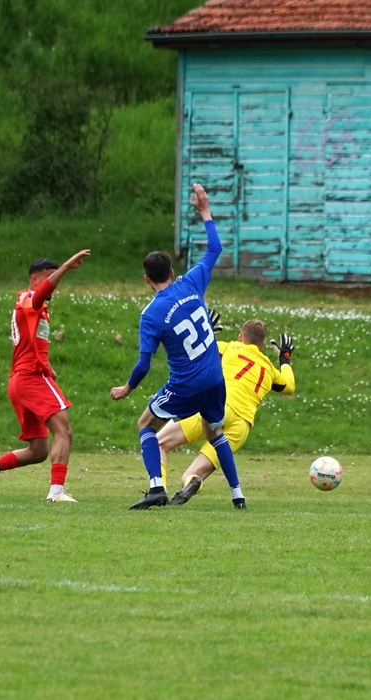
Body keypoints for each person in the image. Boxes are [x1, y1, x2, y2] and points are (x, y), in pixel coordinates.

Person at [110, 183, 246, 510]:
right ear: (172, 272)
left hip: (186, 384)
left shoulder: (151, 314)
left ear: (147, 279)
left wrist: (128, 387)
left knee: (145, 424)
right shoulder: (191, 282)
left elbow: (144, 364)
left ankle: (156, 487)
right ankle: (237, 495)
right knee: (215, 432)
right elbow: (214, 250)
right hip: (215, 377)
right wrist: (205, 212)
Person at [0, 251, 90, 503]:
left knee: (38, 450)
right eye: (50, 276)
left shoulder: (36, 308)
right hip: (30, 378)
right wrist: (68, 266)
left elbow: (32, 342)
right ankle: (56, 492)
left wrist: (47, 364)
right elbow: (36, 298)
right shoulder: (28, 298)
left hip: (21, 379)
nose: (55, 282)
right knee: (65, 431)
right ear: (35, 279)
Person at [159, 319, 296, 506]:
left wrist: (206, 333)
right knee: (192, 475)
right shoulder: (269, 369)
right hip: (242, 424)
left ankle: (158, 490)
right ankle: (193, 483)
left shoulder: (231, 347)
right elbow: (289, 387)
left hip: (219, 406)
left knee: (159, 443)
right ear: (262, 346)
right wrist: (285, 359)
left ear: (240, 337)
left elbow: (196, 352)